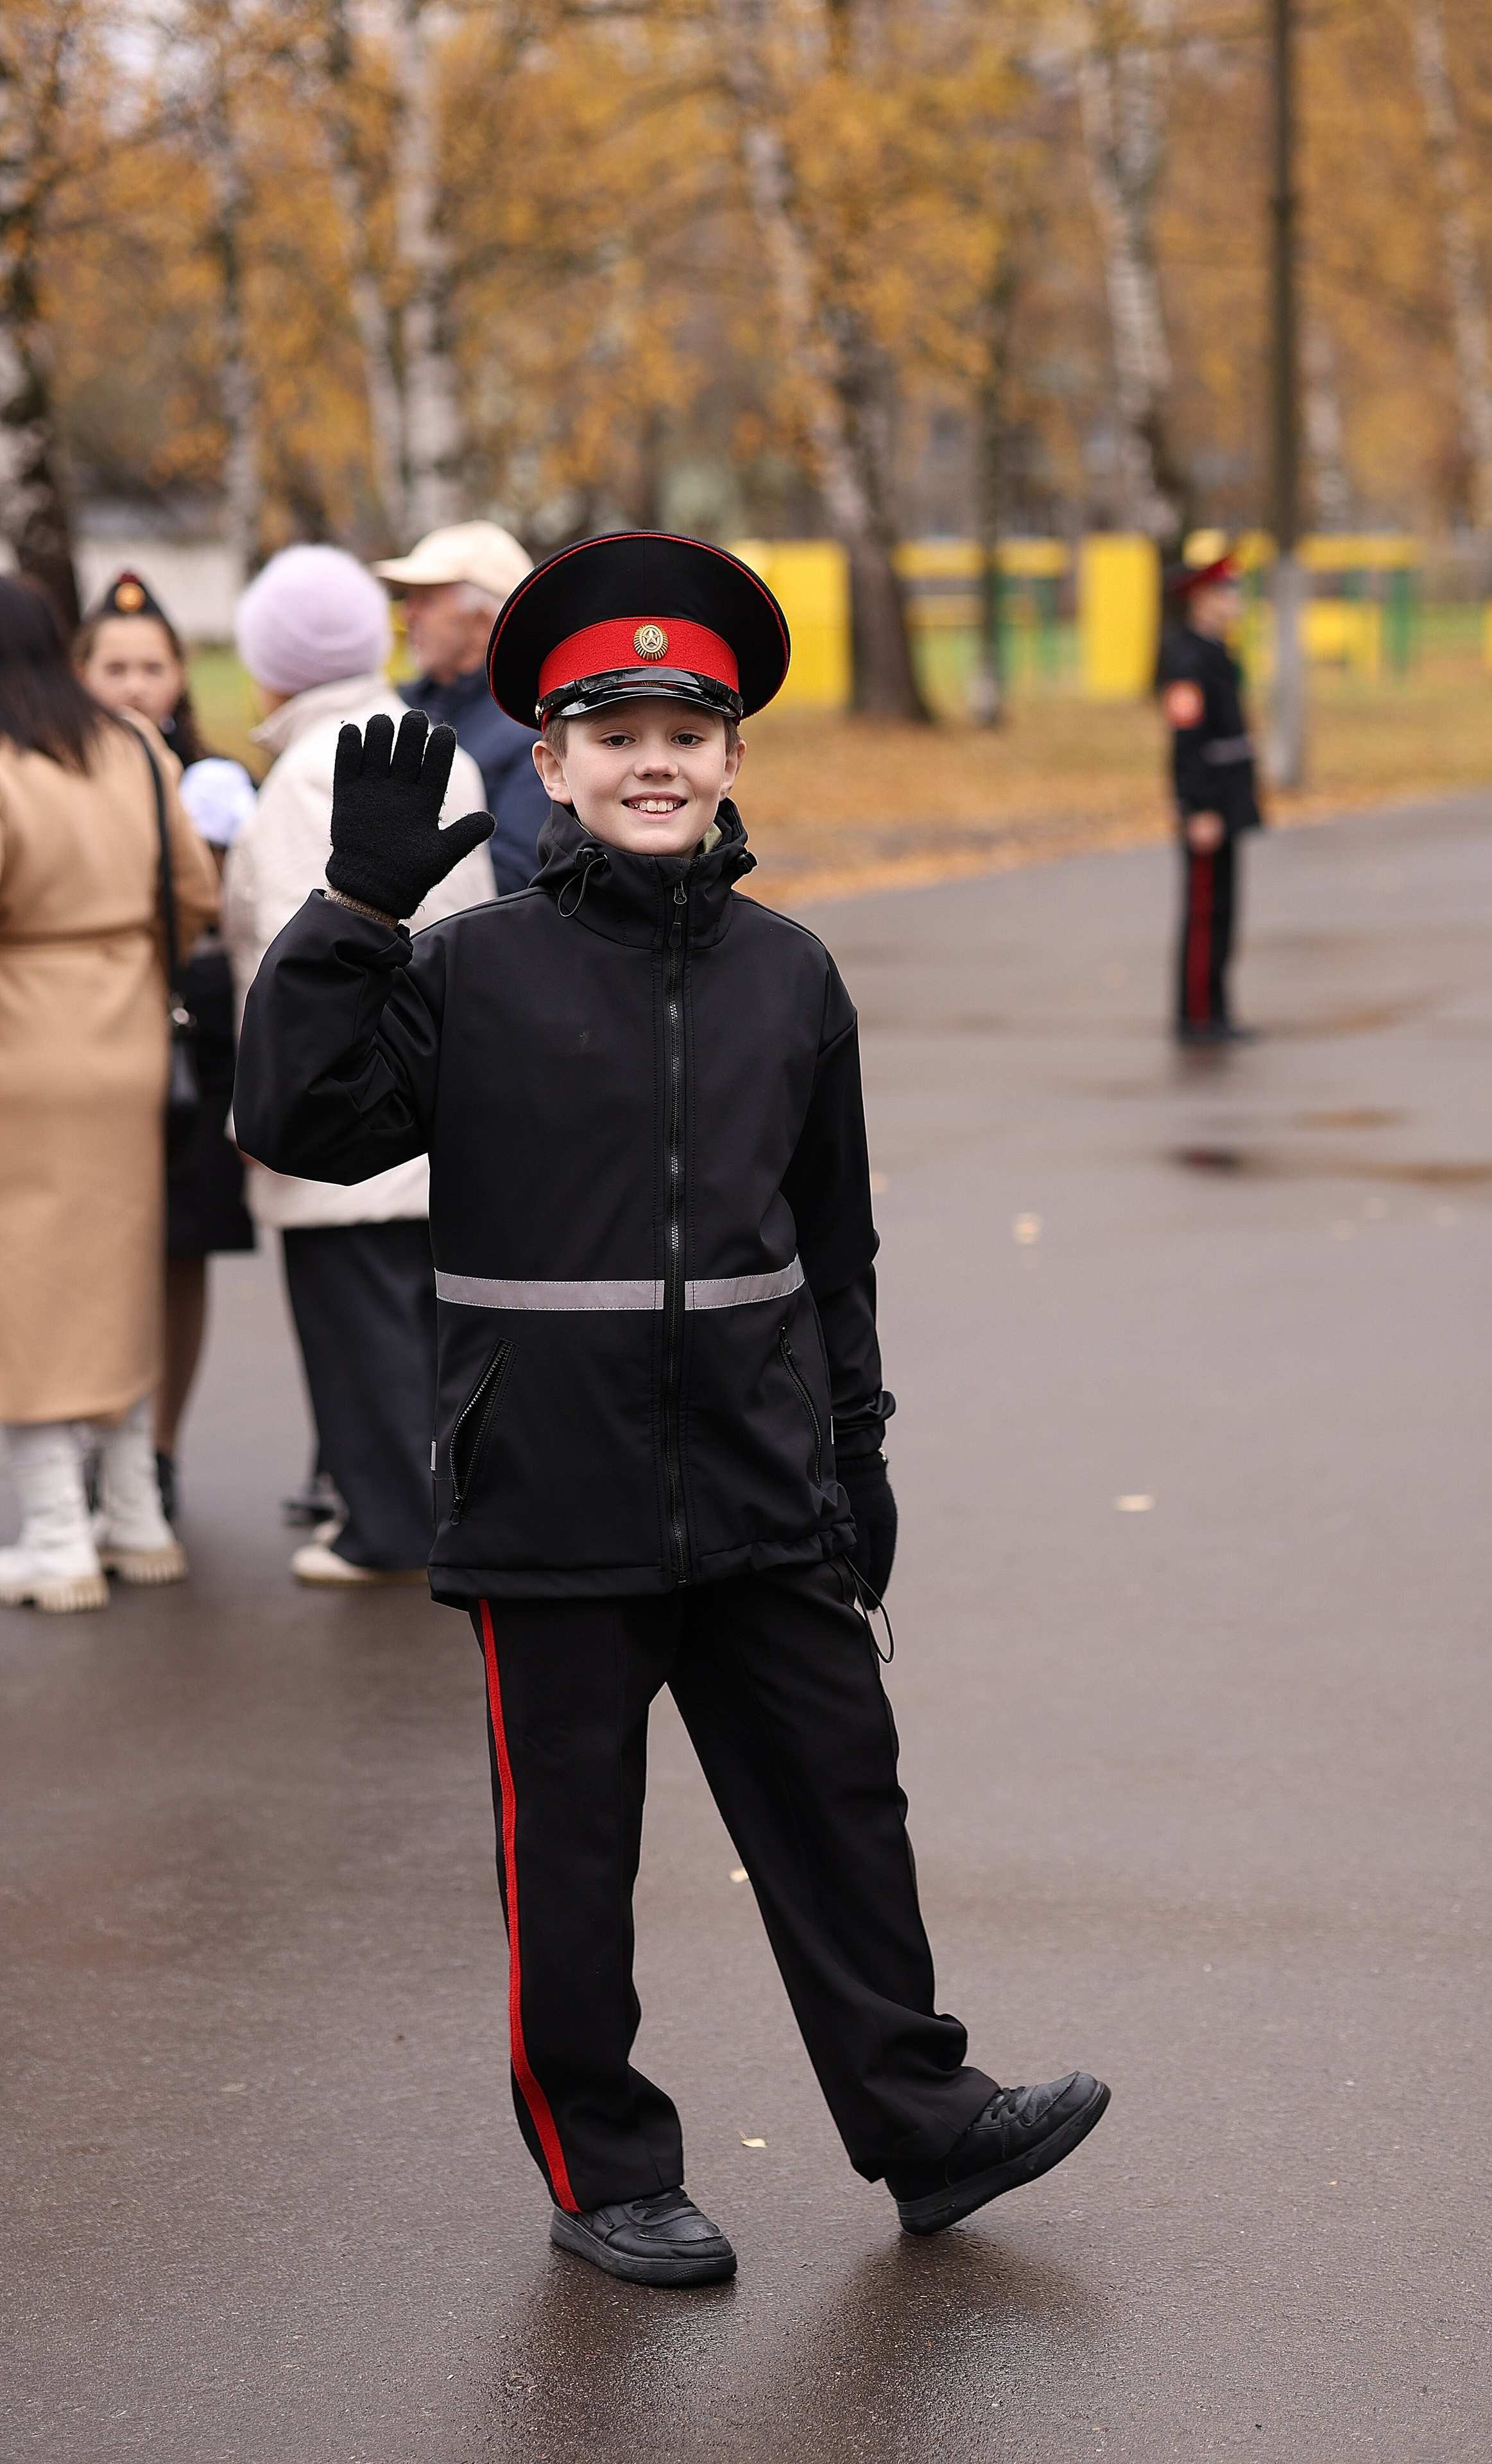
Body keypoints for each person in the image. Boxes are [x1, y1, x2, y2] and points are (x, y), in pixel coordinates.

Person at [234, 531, 1110, 2289]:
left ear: (731, 758)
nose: (655, 759)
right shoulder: (470, 969)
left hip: (766, 1484)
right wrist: (354, 920)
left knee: (843, 1807)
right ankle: (606, 2163)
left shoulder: (795, 976)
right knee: (573, 1859)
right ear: (547, 764)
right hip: (550, 1497)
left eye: (689, 730)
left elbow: (834, 1245)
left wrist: (858, 1451)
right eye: (611, 729)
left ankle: (921, 2125)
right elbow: (295, 1117)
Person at [222, 543, 495, 1585]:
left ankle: (383, 1525)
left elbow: (305, 955)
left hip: (349, 1099)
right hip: (440, 1076)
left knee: (360, 1330)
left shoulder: (304, 772)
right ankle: (426, 1507)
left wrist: (271, 1101)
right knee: (421, 1326)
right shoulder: (430, 740)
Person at [0, 574, 216, 1612]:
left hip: (22, 1044)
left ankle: (53, 1532)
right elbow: (193, 892)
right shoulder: (134, 747)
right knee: (125, 1263)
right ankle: (133, 1513)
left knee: (28, 1284)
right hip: (130, 1033)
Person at [76, 571, 259, 1519]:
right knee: (88, 1244)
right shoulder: (49, 776)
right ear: (81, 674)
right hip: (86, 1033)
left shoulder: (219, 781)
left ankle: (159, 1450)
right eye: (115, 667)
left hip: (195, 1029)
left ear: (180, 676)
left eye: (151, 667)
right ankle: (88, 1437)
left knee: (181, 1244)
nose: (135, 685)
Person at [372, 521, 542, 894]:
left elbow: (512, 883)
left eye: (425, 600)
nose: (406, 615)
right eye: (408, 598)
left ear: (484, 623)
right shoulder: (395, 704)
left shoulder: (533, 736)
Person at [1158, 552, 1263, 1043]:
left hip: (1227, 800)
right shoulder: (1188, 658)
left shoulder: (1217, 651)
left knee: (1223, 910)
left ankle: (1217, 1009)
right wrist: (1195, 807)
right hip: (1208, 804)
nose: (1235, 602)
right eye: (1227, 593)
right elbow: (1186, 742)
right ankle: (1197, 1015)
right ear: (1202, 600)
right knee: (1204, 912)